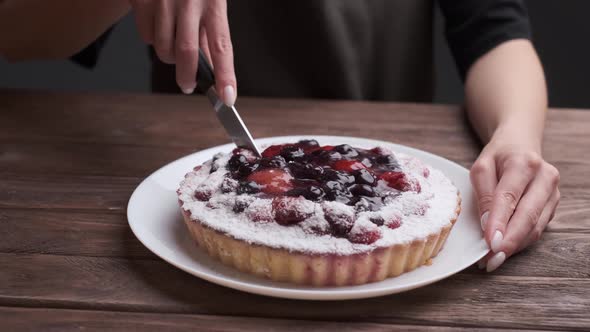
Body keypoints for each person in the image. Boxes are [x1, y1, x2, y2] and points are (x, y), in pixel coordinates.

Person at [0, 0, 560, 272]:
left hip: (387, 177)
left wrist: (516, 136)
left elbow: (495, 30)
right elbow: (18, 33)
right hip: (185, 157)